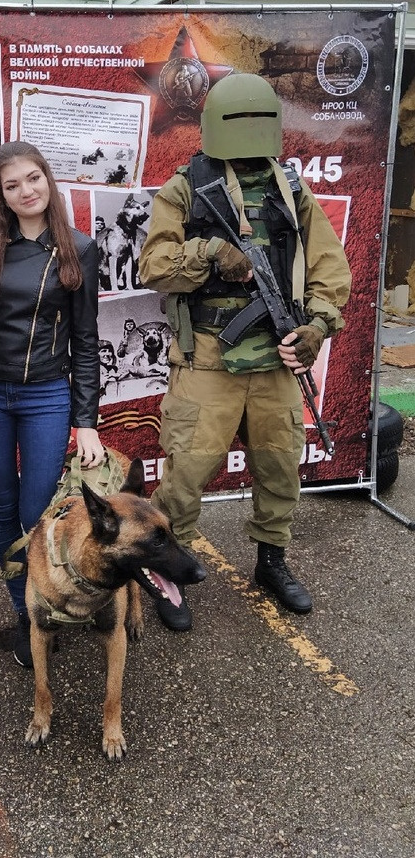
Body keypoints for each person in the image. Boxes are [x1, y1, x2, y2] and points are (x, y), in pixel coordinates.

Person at [139, 73, 351, 631]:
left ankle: (271, 562)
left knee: (281, 467)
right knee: (185, 473)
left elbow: (329, 265)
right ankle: (169, 574)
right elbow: (153, 265)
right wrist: (210, 252)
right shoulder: (186, 186)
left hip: (279, 359)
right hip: (209, 358)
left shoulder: (290, 189)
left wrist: (319, 326)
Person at [0, 140, 104, 668]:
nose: (26, 191)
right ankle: (26, 616)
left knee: (34, 513)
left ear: (48, 180)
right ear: (0, 195)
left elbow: (86, 341)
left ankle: (48, 597)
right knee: (1, 510)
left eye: (33, 178)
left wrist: (85, 422)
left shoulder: (80, 249)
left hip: (47, 394)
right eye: (12, 184)